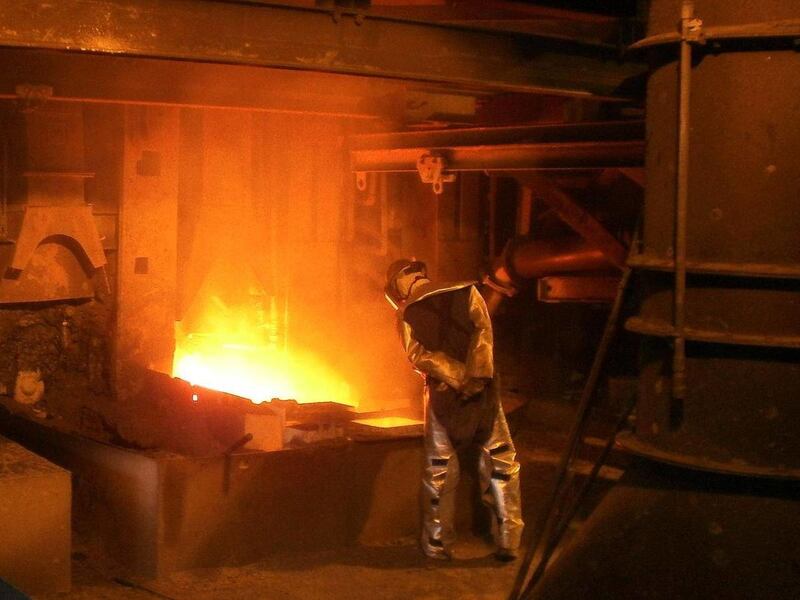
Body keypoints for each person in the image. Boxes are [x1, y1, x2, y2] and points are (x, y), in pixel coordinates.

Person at [384, 258, 523, 561]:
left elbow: (419, 356)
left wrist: (458, 378)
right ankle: (509, 540)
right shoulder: (467, 291)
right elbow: (484, 335)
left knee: (440, 469)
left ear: (401, 282)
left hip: (443, 395)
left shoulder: (406, 312)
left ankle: (436, 545)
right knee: (501, 461)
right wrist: (476, 377)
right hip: (484, 392)